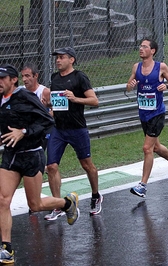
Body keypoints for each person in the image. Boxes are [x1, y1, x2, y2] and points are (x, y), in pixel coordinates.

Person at [0, 64, 79, 264]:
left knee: (35, 205)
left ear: (13, 80)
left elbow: (46, 121)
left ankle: (67, 203)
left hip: (31, 155)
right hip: (11, 156)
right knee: (3, 200)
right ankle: (6, 248)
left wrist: (23, 132)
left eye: (2, 79)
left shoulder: (24, 97)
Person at [46, 47, 102, 220]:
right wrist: (50, 110)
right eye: (57, 58)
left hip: (77, 129)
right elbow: (56, 103)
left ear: (72, 60)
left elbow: (95, 101)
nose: (58, 60)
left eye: (62, 57)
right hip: (59, 129)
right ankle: (57, 205)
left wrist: (75, 98)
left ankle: (95, 195)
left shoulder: (80, 77)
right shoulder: (54, 78)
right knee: (51, 167)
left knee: (87, 165)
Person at [127, 38, 168, 198]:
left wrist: (166, 85)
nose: (141, 49)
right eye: (140, 46)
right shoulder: (136, 67)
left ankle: (142, 185)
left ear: (153, 51)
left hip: (157, 113)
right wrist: (130, 86)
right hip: (143, 113)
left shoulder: (160, 67)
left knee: (147, 148)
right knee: (155, 147)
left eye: (145, 47)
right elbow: (129, 85)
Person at [21, 63, 52, 152]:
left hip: (42, 130)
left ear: (36, 76)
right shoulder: (20, 92)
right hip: (27, 129)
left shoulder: (44, 92)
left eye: (27, 76)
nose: (24, 79)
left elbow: (55, 111)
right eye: (22, 76)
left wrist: (45, 113)